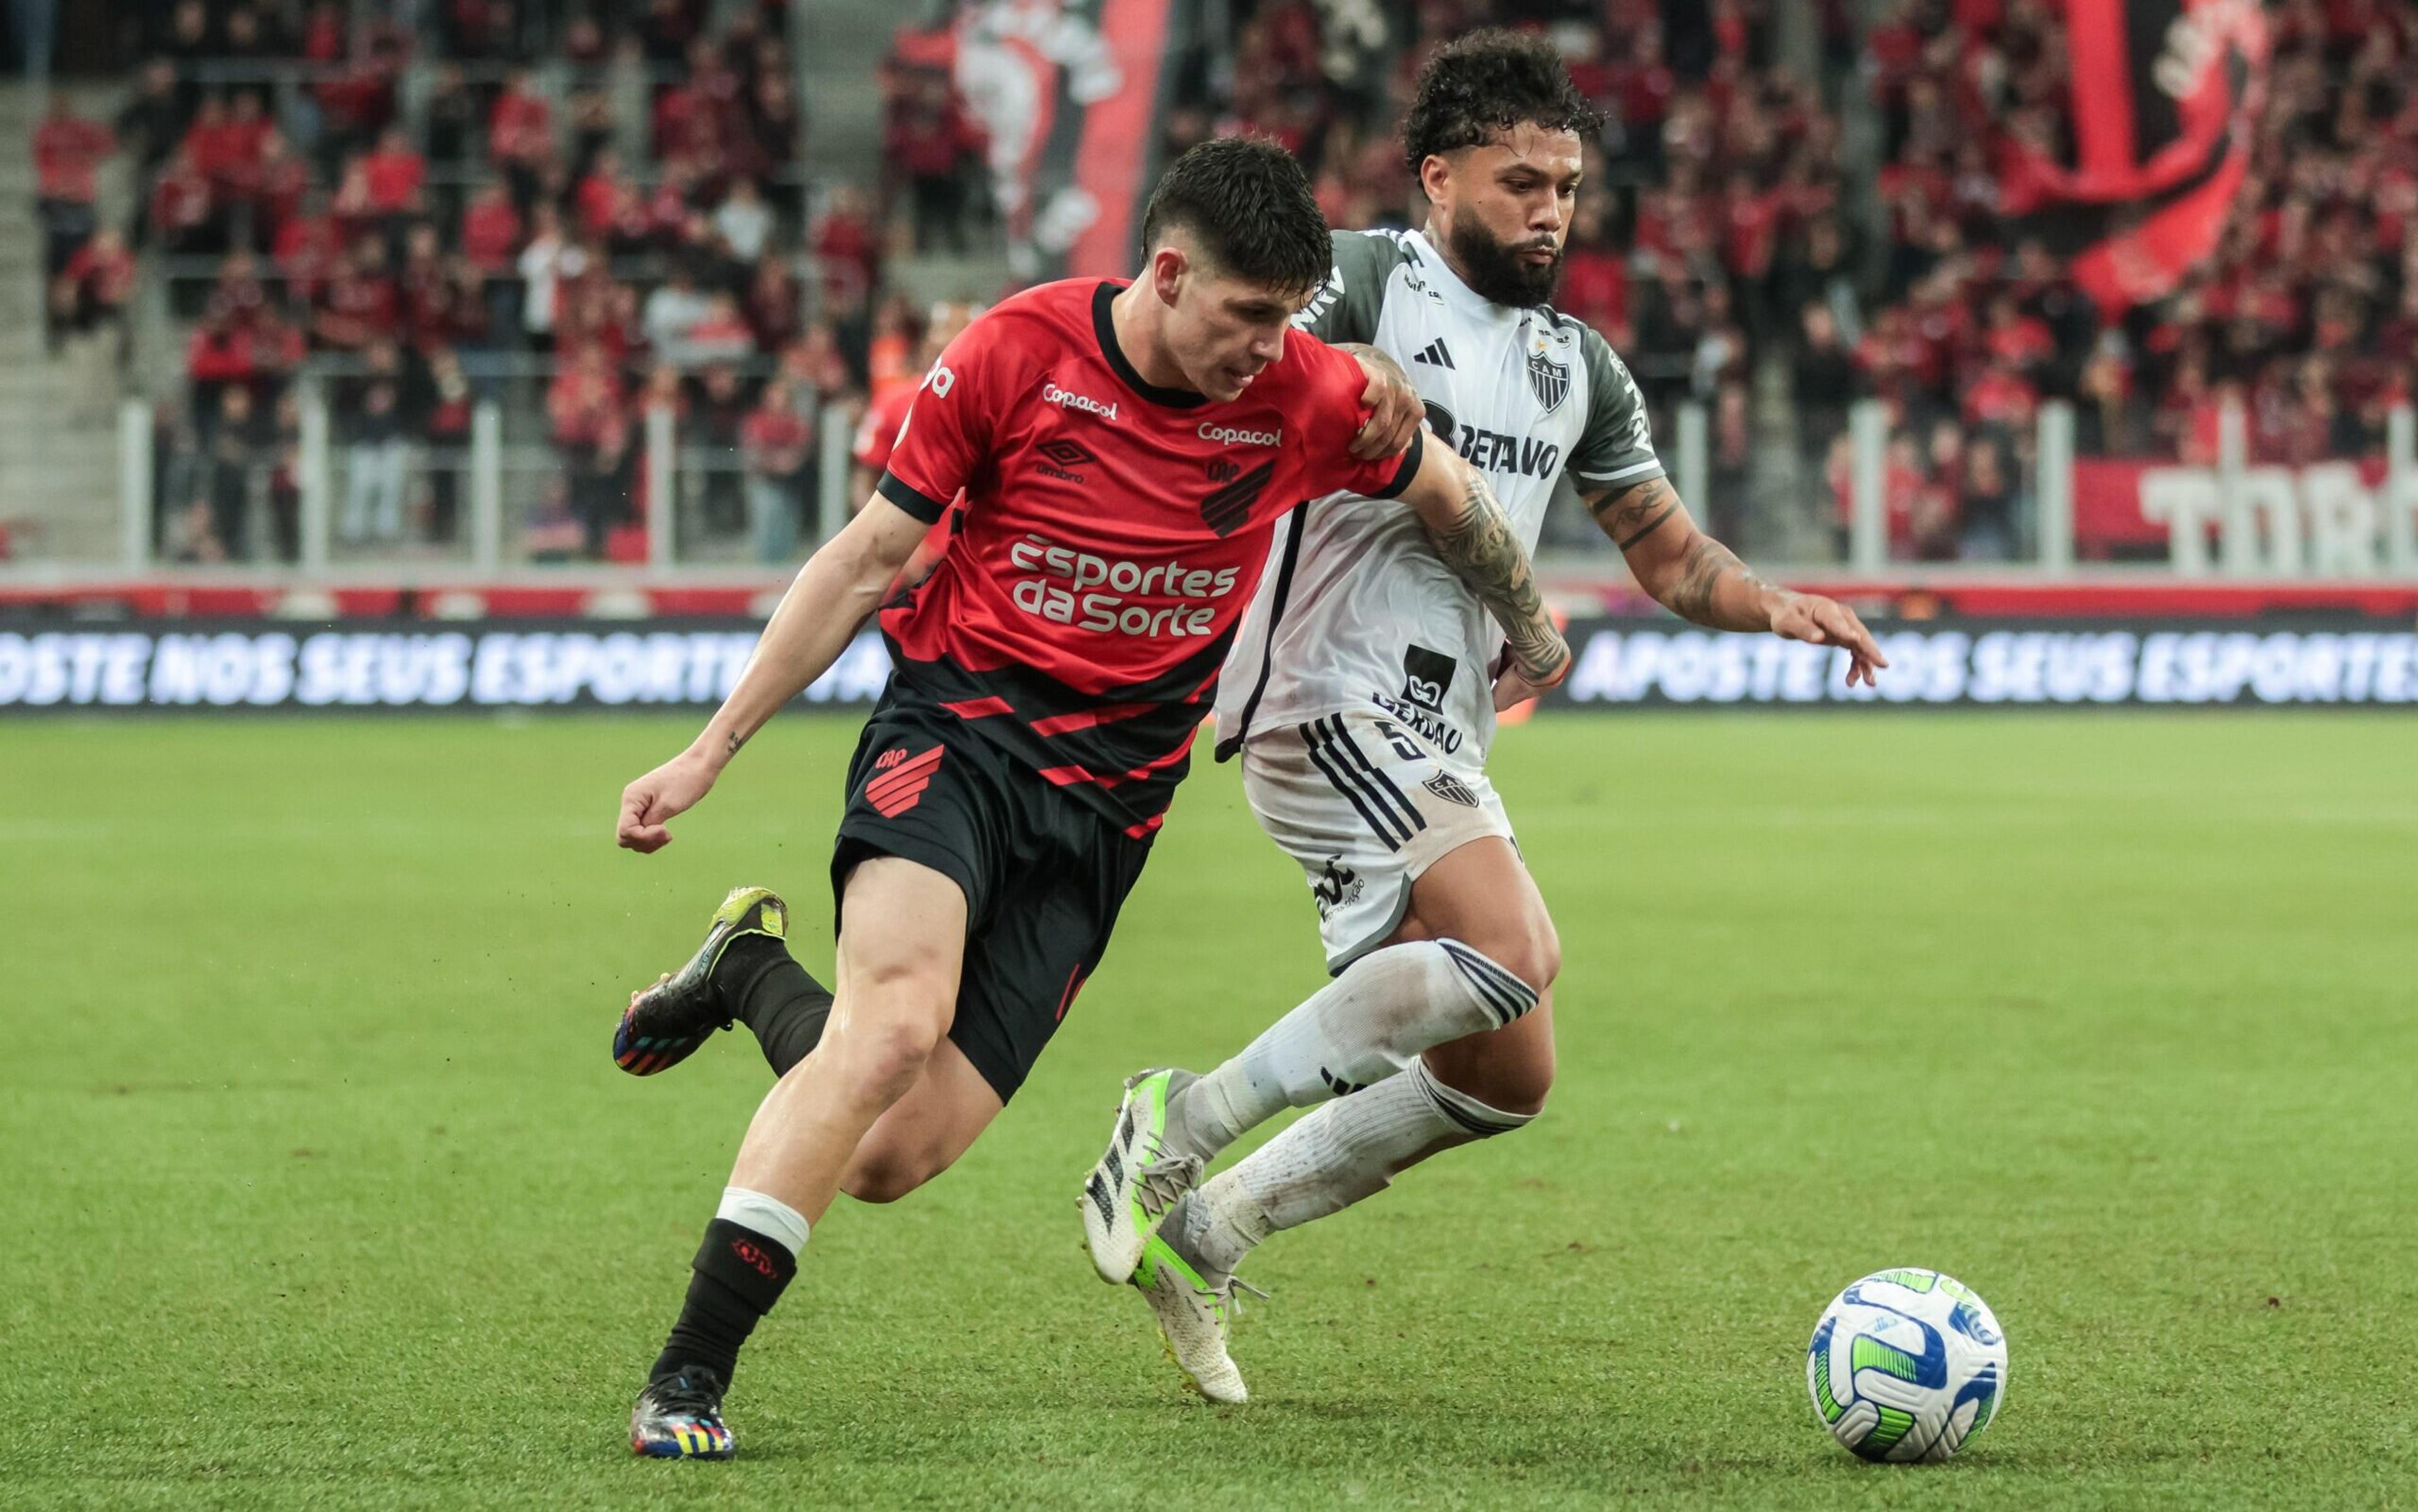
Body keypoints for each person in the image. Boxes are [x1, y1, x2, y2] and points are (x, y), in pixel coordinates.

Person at [603, 135, 1568, 1458]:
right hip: (960, 737)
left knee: (890, 1155)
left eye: (1283, 321)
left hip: (1107, 812)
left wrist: (1527, 620)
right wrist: (709, 752)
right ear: (1166, 273)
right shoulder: (1016, 355)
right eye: (1241, 316)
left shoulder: (1306, 392)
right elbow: (865, 560)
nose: (1260, 349)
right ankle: (687, 1379)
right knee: (890, 1029)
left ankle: (748, 968)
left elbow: (1447, 495)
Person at [1076, 31, 1888, 1401]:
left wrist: (1774, 603)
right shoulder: (1360, 281)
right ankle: (1176, 1123)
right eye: (1520, 181)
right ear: (1438, 177)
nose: (1551, 209)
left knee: (1506, 1068)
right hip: (1323, 687)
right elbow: (1216, 357)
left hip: (1436, 724)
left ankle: (1210, 1231)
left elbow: (1670, 555)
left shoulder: (1582, 366)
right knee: (1517, 950)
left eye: (1567, 185)